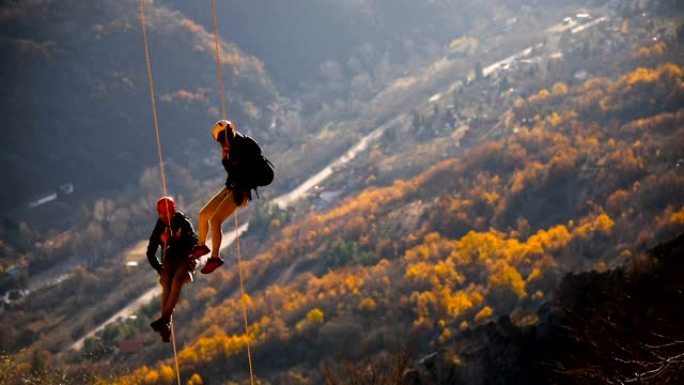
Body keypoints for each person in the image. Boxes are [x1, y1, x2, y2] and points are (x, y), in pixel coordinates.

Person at [191, 120, 257, 274]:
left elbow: (239, 174)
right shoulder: (234, 147)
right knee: (203, 215)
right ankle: (201, 246)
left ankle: (215, 258)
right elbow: (233, 174)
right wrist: (226, 158)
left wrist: (225, 159)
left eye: (223, 138)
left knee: (214, 221)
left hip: (241, 191)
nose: (223, 141)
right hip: (231, 188)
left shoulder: (240, 149)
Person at [147, 196, 198, 342]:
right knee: (166, 283)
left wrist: (173, 240)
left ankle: (164, 320)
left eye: (166, 214)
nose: (164, 217)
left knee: (176, 281)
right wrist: (159, 268)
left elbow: (193, 244)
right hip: (171, 260)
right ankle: (165, 324)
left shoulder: (184, 222)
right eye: (161, 215)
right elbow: (150, 252)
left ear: (173, 211)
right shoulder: (160, 226)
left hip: (187, 259)